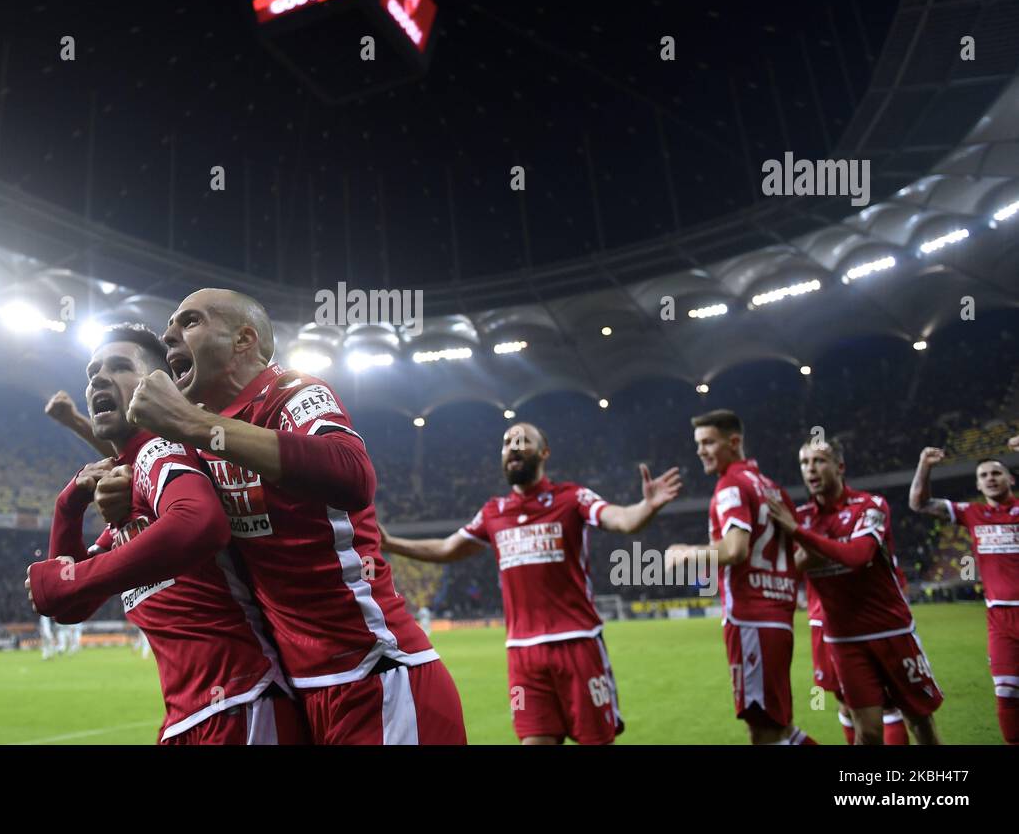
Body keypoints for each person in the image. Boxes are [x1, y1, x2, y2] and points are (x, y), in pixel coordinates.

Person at [123, 288, 466, 744]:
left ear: (244, 340)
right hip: (302, 692)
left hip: (376, 675)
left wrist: (193, 423)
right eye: (170, 326)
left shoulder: (292, 392)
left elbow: (352, 475)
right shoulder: (203, 436)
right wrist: (115, 485)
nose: (169, 335)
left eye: (189, 322)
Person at [27, 323, 305, 744]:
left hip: (242, 703)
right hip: (197, 714)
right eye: (91, 372)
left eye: (119, 367)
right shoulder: (135, 482)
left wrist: (72, 579)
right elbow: (69, 608)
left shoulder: (163, 450)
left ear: (159, 385)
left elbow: (199, 523)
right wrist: (68, 505)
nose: (98, 378)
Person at [380, 422, 681, 745]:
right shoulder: (494, 512)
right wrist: (392, 543)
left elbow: (620, 519)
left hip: (577, 643)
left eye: (524, 440)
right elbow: (446, 548)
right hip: (523, 653)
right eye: (507, 442)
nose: (514, 446)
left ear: (544, 452)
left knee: (597, 740)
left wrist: (646, 507)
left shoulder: (572, 497)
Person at [777, 438, 940, 744]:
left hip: (891, 630)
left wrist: (799, 535)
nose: (811, 469)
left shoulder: (870, 505)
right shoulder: (802, 517)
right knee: (867, 732)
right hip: (844, 639)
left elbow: (858, 556)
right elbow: (785, 570)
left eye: (819, 461)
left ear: (840, 467)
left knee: (920, 721)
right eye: (804, 463)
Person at [665, 409, 813, 745]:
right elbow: (802, 554)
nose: (700, 450)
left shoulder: (730, 485)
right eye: (698, 443)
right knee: (779, 728)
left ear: (734, 442)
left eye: (708, 442)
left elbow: (735, 550)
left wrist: (685, 552)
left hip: (751, 621)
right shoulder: (773, 489)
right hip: (778, 618)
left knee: (765, 732)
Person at [910, 441, 1019, 744]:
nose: (990, 478)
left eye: (997, 472)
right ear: (977, 484)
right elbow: (919, 504)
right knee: (1006, 691)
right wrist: (925, 465)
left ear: (1011, 479)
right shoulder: (973, 512)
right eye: (983, 475)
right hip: (999, 617)